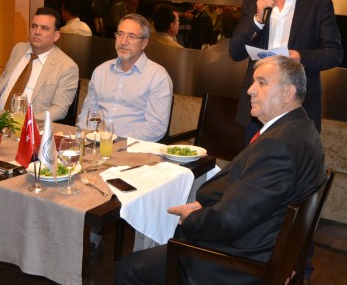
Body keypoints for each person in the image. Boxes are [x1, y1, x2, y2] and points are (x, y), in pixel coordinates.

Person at [115, 55, 326, 285]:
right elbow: (253, 198)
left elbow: (229, 220)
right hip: (264, 241)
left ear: (288, 93)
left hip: (241, 261)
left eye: (262, 83)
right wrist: (205, 205)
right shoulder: (303, 128)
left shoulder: (278, 144)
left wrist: (192, 218)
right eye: (253, 82)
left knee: (129, 268)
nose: (250, 90)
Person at [229, 0, 343, 143]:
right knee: (254, 162)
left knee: (293, 162)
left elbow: (334, 53)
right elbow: (235, 52)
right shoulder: (253, 4)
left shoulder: (319, 5)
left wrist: (300, 57)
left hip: (299, 106)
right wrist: (257, 20)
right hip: (257, 106)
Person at [79, 13, 173, 142]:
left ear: (144, 43)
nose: (123, 41)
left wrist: (118, 143)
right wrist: (87, 137)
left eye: (131, 36)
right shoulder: (101, 71)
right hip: (96, 143)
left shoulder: (157, 76)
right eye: (120, 34)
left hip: (133, 147)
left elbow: (155, 127)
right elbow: (88, 113)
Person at [0, 7, 79, 122]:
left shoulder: (67, 66)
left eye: (45, 28)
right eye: (34, 26)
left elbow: (60, 109)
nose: (37, 32)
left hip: (31, 126)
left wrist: (27, 121)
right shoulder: (18, 49)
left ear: (56, 35)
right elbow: (2, 81)